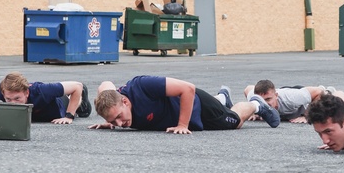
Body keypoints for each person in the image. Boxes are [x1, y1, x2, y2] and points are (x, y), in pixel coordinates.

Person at [88, 75, 280, 133]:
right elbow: (105, 85)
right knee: (222, 107)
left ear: (125, 101)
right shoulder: (114, 100)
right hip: (184, 108)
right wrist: (111, 120)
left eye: (119, 117)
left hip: (197, 104)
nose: (120, 124)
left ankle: (256, 104)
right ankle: (222, 97)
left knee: (235, 122)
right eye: (115, 121)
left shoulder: (142, 86)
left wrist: (182, 125)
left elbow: (188, 88)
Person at [0, 71, 91, 124]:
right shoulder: (3, 91)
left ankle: (82, 99)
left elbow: (77, 86)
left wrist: (69, 116)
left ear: (27, 93)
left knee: (81, 107)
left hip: (59, 105)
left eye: (17, 99)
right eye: (8, 99)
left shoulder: (42, 91)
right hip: (38, 113)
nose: (12, 103)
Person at [243, 80, 344, 124]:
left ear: (276, 96)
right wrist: (253, 110)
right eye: (261, 100)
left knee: (326, 101)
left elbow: (316, 92)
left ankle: (328, 91)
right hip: (287, 90)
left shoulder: (291, 99)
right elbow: (248, 88)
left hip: (299, 96)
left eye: (268, 99)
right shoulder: (255, 98)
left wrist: (307, 115)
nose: (265, 104)